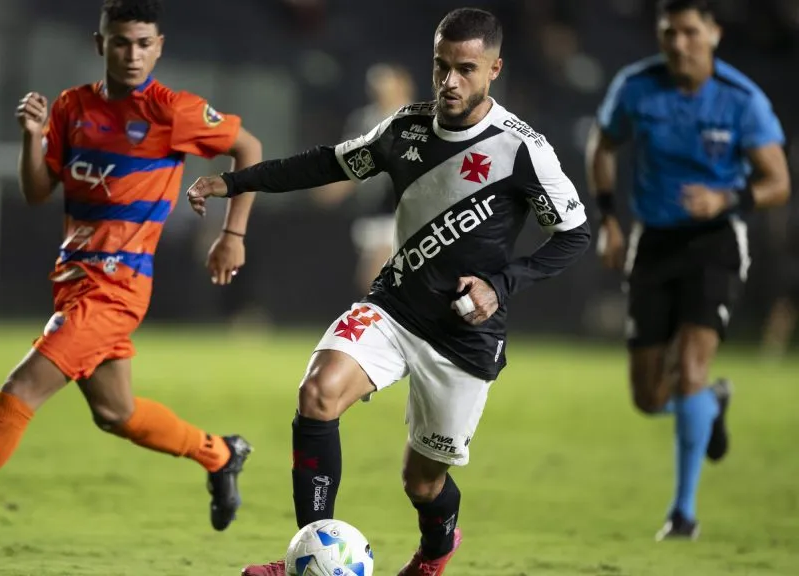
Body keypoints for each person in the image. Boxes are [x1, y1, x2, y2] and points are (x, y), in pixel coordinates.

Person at [188, 8, 590, 576]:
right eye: (441, 66)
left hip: (464, 337)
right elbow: (326, 163)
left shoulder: (523, 150)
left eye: (465, 69)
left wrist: (502, 286)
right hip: (394, 308)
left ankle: (436, 550)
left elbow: (574, 236)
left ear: (494, 69)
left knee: (422, 483)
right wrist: (236, 181)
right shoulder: (405, 129)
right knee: (317, 393)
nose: (449, 81)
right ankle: (309, 552)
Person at [0, 0, 263, 553]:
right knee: (115, 413)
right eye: (121, 42)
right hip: (75, 278)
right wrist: (32, 136)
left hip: (117, 287)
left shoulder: (172, 110)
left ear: (159, 47)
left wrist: (232, 233)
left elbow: (249, 148)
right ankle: (220, 453)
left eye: (144, 43)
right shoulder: (72, 107)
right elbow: (36, 192)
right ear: (100, 43)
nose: (133, 54)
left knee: (19, 391)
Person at [586, 0, 790, 540]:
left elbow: (778, 182)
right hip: (652, 242)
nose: (679, 43)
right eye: (669, 32)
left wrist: (727, 199)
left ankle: (683, 514)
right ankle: (711, 403)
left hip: (715, 243)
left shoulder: (742, 101)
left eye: (690, 32)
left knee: (692, 368)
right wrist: (608, 220)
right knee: (649, 396)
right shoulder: (636, 86)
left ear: (714, 34)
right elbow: (601, 147)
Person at [314, 63, 416, 294]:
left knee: (374, 277)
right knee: (372, 280)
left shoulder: (414, 117)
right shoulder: (364, 119)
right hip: (371, 208)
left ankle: (386, 323)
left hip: (401, 208)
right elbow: (353, 161)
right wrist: (335, 186)